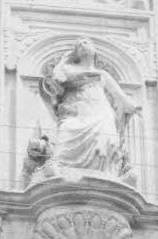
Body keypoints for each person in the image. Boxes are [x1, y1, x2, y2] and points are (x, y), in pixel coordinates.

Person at [38, 37, 141, 180]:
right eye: (79, 45)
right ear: (75, 53)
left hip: (100, 111)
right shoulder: (69, 68)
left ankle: (105, 173)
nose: (82, 44)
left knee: (104, 141)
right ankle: (57, 165)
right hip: (75, 111)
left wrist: (134, 107)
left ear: (95, 51)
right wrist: (63, 61)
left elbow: (119, 95)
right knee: (67, 131)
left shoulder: (103, 74)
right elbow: (58, 79)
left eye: (86, 42)